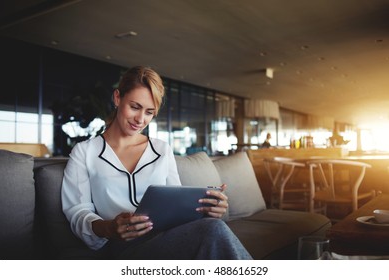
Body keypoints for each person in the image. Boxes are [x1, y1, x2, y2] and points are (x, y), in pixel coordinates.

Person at [61, 66, 252, 260]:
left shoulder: (162, 149)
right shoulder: (85, 152)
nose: (140, 119)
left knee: (213, 227)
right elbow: (77, 211)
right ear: (117, 98)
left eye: (149, 112)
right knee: (213, 231)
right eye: (135, 107)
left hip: (166, 238)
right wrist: (110, 227)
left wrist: (208, 210)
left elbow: (177, 204)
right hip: (121, 247)